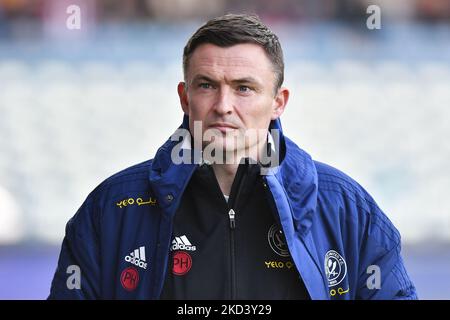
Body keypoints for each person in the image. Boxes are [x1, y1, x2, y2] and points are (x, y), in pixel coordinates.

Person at [48, 14, 417, 300]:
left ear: (278, 102)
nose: (223, 106)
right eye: (207, 85)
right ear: (184, 96)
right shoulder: (111, 210)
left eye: (244, 88)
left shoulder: (346, 209)